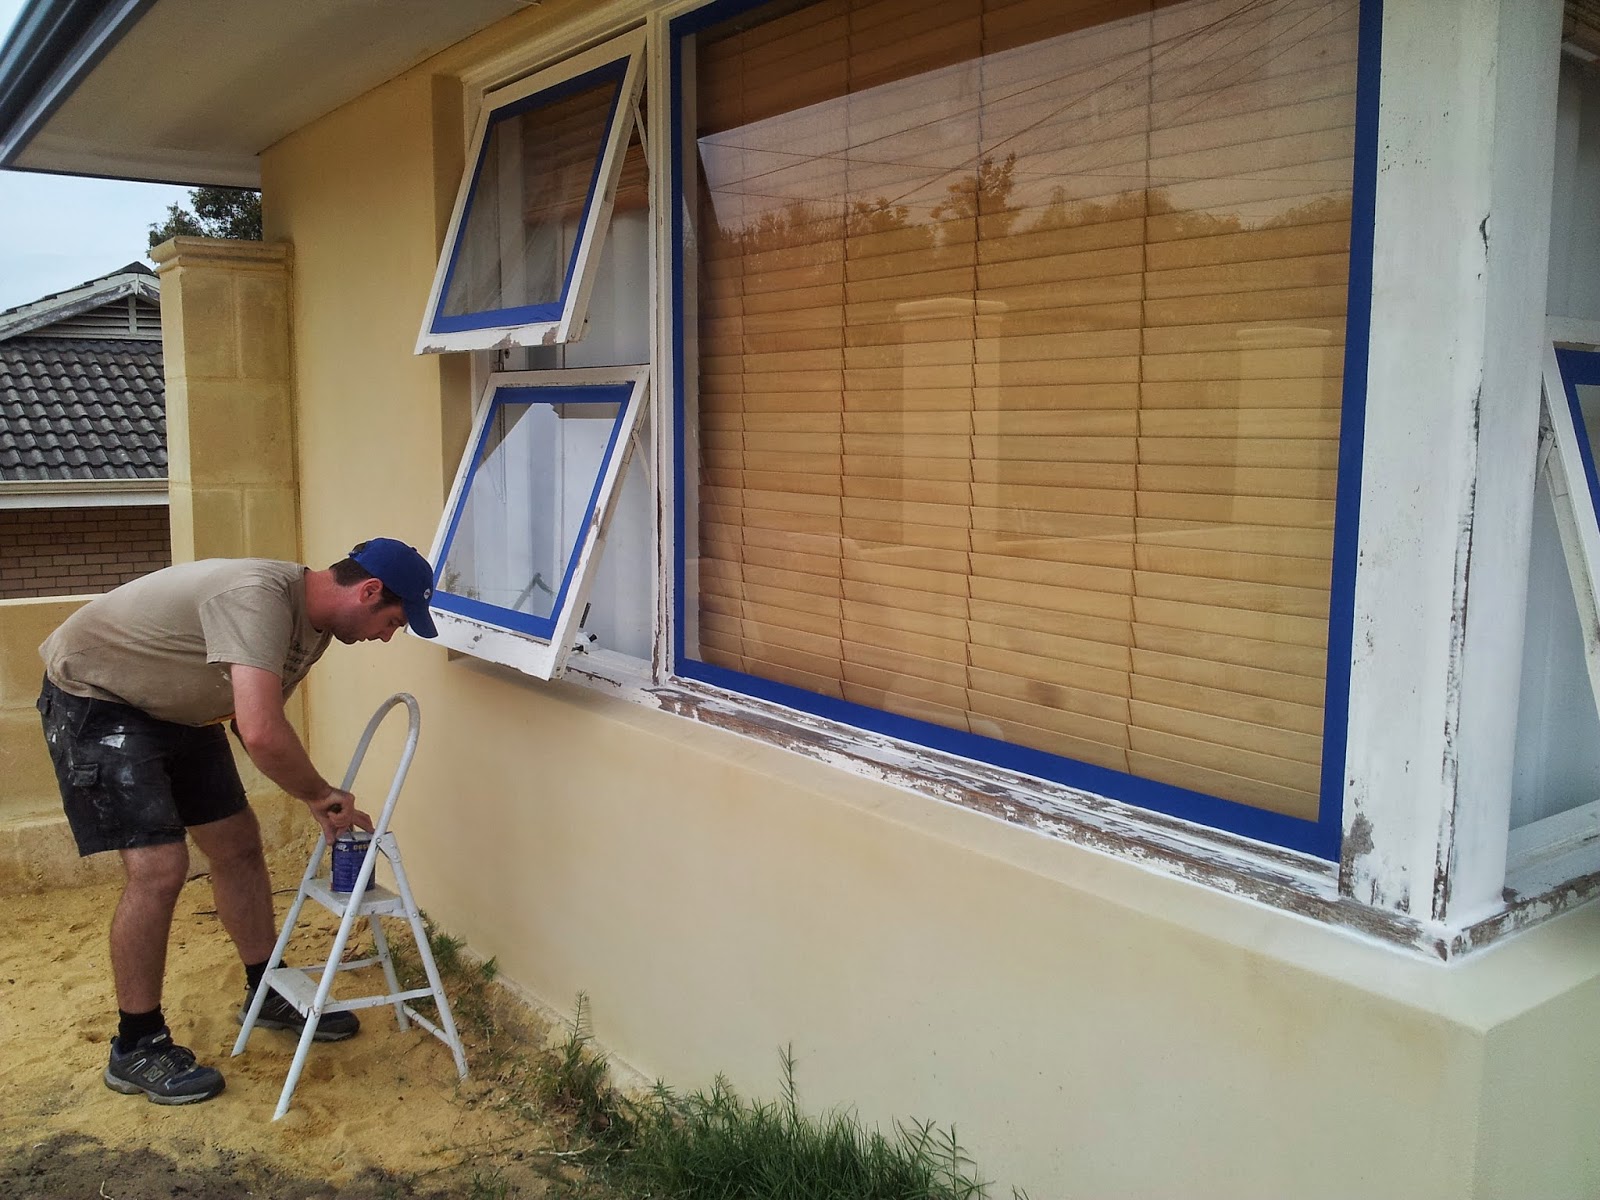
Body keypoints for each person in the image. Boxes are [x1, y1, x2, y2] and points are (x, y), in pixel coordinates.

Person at [36, 538, 438, 1105]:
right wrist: (321, 794)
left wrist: (311, 796)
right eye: (393, 621)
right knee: (160, 868)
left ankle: (265, 989)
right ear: (369, 591)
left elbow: (250, 723)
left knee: (239, 845)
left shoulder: (315, 630)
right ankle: (136, 1044)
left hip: (180, 712)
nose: (388, 636)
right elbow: (261, 731)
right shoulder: (259, 598)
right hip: (99, 697)